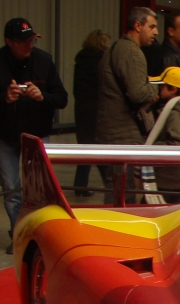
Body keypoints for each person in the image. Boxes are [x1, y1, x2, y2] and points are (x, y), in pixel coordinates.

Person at [0, 17, 68, 252]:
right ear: (9, 42)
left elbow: (62, 98)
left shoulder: (44, 61)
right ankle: (19, 234)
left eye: (32, 40)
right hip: (5, 135)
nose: (29, 45)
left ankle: (39, 235)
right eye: (23, 41)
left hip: (37, 135)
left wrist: (43, 97)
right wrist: (4, 98)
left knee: (39, 189)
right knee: (11, 187)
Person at [97, 7, 160, 202]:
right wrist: (156, 88)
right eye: (152, 27)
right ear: (138, 26)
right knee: (125, 193)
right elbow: (137, 93)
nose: (156, 32)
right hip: (123, 135)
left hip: (108, 132)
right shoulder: (132, 52)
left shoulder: (114, 48)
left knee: (114, 188)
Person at [148, 67, 180, 203]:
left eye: (163, 85)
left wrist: (152, 146)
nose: (160, 88)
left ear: (173, 89)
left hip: (170, 179)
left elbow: (178, 144)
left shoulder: (175, 114)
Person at [72, 29, 110, 197]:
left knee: (85, 147)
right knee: (99, 149)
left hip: (82, 108)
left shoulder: (80, 60)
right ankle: (109, 182)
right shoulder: (103, 62)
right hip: (97, 109)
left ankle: (80, 185)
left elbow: (76, 88)